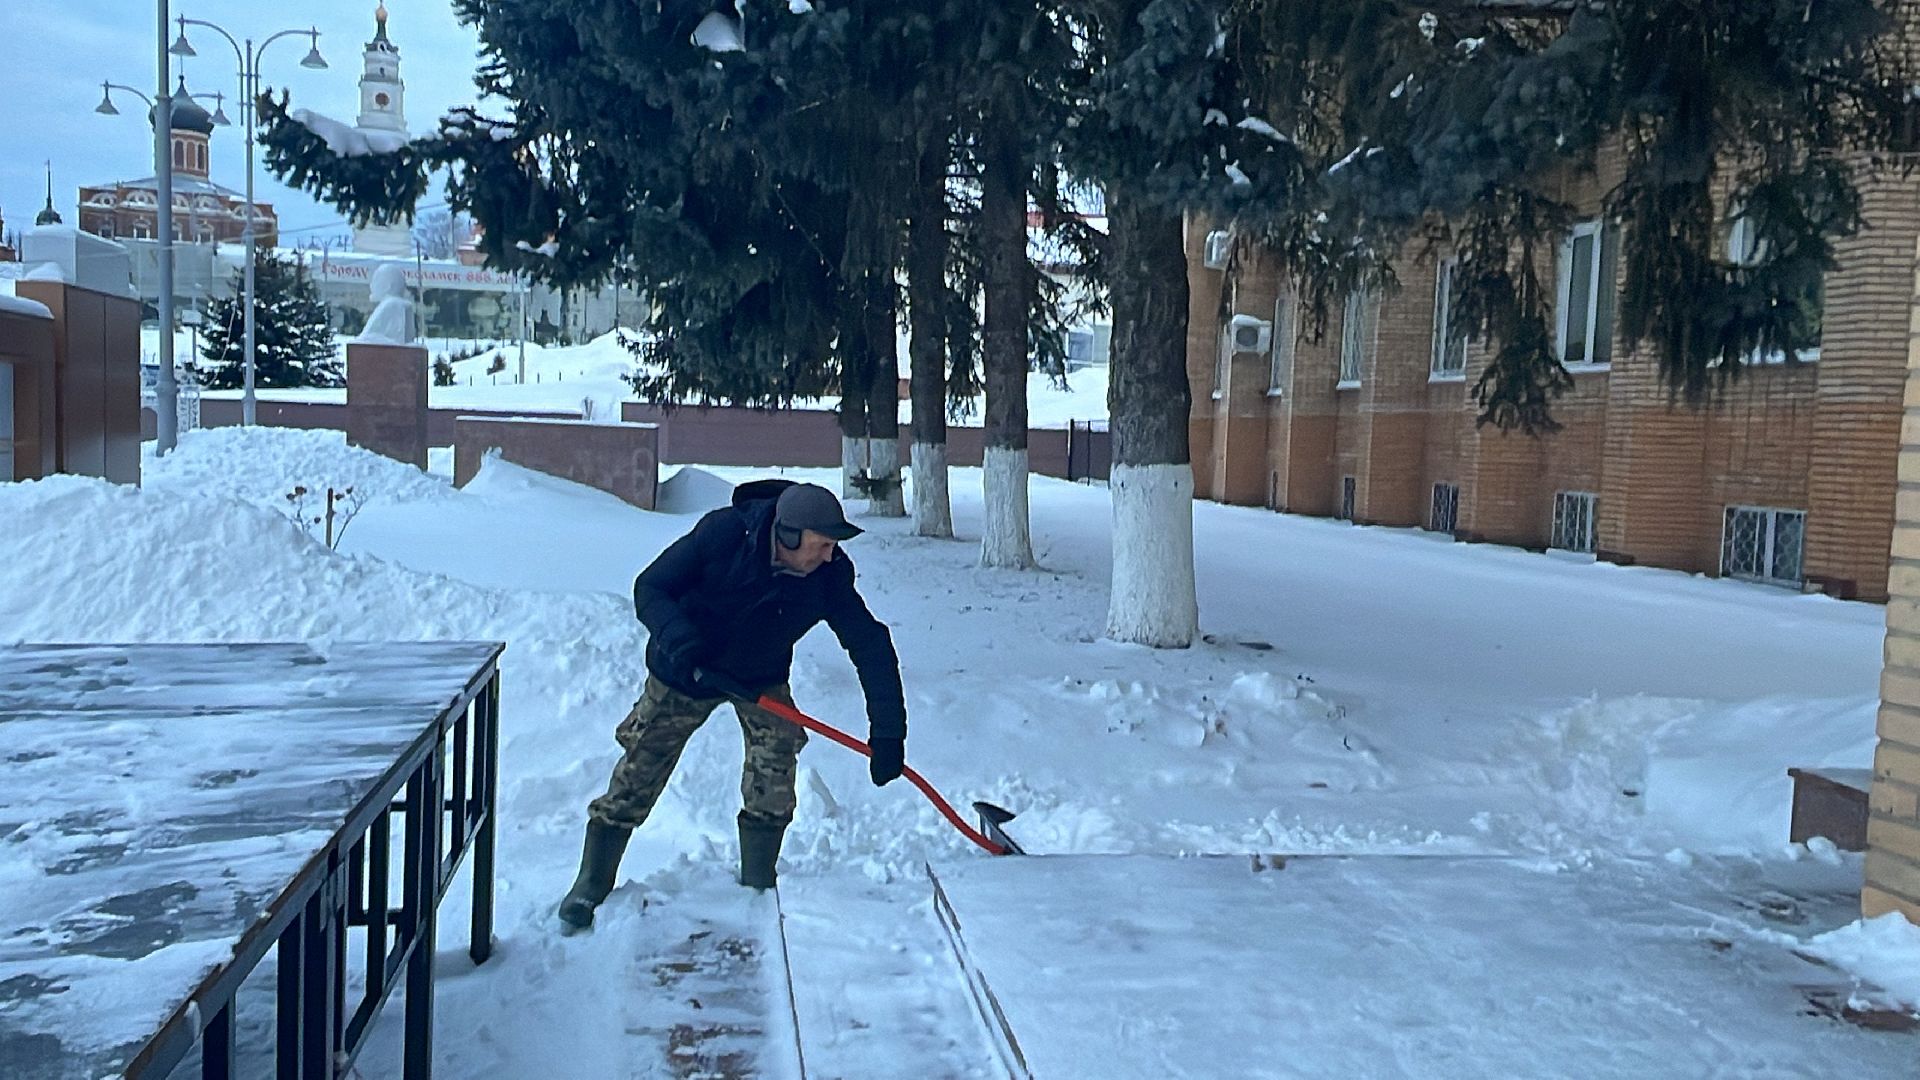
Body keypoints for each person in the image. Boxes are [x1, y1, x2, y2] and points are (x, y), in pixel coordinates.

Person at [557, 479, 907, 931]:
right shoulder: (723, 535)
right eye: (821, 545)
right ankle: (590, 884)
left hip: (759, 677)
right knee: (640, 768)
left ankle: (758, 880)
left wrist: (888, 732)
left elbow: (870, 646)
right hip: (685, 671)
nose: (829, 556)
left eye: (833, 546)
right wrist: (681, 640)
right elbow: (651, 587)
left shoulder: (829, 575)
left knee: (776, 761)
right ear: (788, 536)